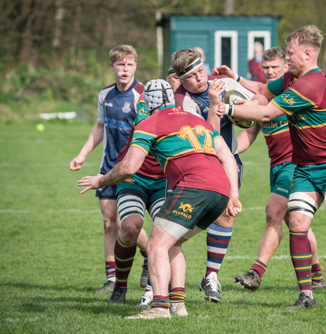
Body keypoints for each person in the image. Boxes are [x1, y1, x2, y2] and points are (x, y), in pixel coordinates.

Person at [216, 25, 326, 310]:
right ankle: (306, 296)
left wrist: (231, 109)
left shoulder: (311, 84)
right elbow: (262, 92)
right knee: (297, 223)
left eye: (290, 53)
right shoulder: (290, 78)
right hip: (305, 166)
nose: (287, 58)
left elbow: (269, 112)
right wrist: (239, 87)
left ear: (307, 54)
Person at [77, 80, 241, 320]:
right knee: (172, 243)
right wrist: (233, 195)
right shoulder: (197, 120)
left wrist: (100, 181)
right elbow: (226, 155)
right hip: (220, 192)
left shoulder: (149, 123)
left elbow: (130, 167)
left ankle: (160, 307)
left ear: (146, 103)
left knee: (156, 244)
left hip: (192, 188)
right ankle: (178, 306)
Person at [213, 47, 326, 291]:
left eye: (275, 67)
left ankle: (256, 272)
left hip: (295, 165)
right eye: (266, 68)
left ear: (286, 67)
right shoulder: (263, 97)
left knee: (272, 212)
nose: (270, 72)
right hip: (276, 167)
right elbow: (248, 136)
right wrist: (223, 152)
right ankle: (316, 275)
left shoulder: (294, 92)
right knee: (295, 221)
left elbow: (263, 108)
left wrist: (239, 95)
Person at [171, 48, 256, 303]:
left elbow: (258, 109)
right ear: (181, 79)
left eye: (200, 71)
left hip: (230, 162)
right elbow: (209, 138)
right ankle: (158, 272)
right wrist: (217, 105)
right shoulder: (182, 102)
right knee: (176, 229)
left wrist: (243, 107)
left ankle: (211, 276)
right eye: (192, 76)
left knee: (227, 213)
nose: (199, 78)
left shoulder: (223, 84)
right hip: (196, 168)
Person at [70, 45, 145, 294]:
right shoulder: (104, 95)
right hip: (107, 168)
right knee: (108, 222)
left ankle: (148, 254)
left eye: (129, 64)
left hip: (133, 169)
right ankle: (111, 279)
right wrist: (82, 155)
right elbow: (99, 127)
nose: (125, 69)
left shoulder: (141, 95)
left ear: (136, 66)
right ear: (112, 66)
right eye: (120, 64)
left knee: (128, 224)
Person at [105, 84, 168, 305]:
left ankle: (153, 290)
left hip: (163, 181)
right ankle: (120, 287)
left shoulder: (186, 106)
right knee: (130, 227)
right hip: (135, 177)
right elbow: (145, 120)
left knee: (164, 235)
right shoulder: (145, 100)